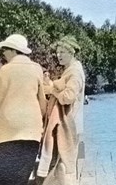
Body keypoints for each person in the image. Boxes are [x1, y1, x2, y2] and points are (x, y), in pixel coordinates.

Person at [0, 34, 46, 185]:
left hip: (8, 133)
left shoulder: (4, 71)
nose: (4, 53)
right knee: (21, 179)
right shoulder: (36, 69)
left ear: (13, 50)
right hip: (32, 133)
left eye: (5, 50)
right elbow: (42, 102)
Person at [37, 35, 85, 184]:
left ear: (72, 52)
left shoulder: (74, 72)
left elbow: (68, 96)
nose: (59, 55)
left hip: (69, 124)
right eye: (58, 52)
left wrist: (52, 90)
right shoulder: (70, 70)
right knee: (64, 162)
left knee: (65, 163)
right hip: (70, 122)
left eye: (63, 52)